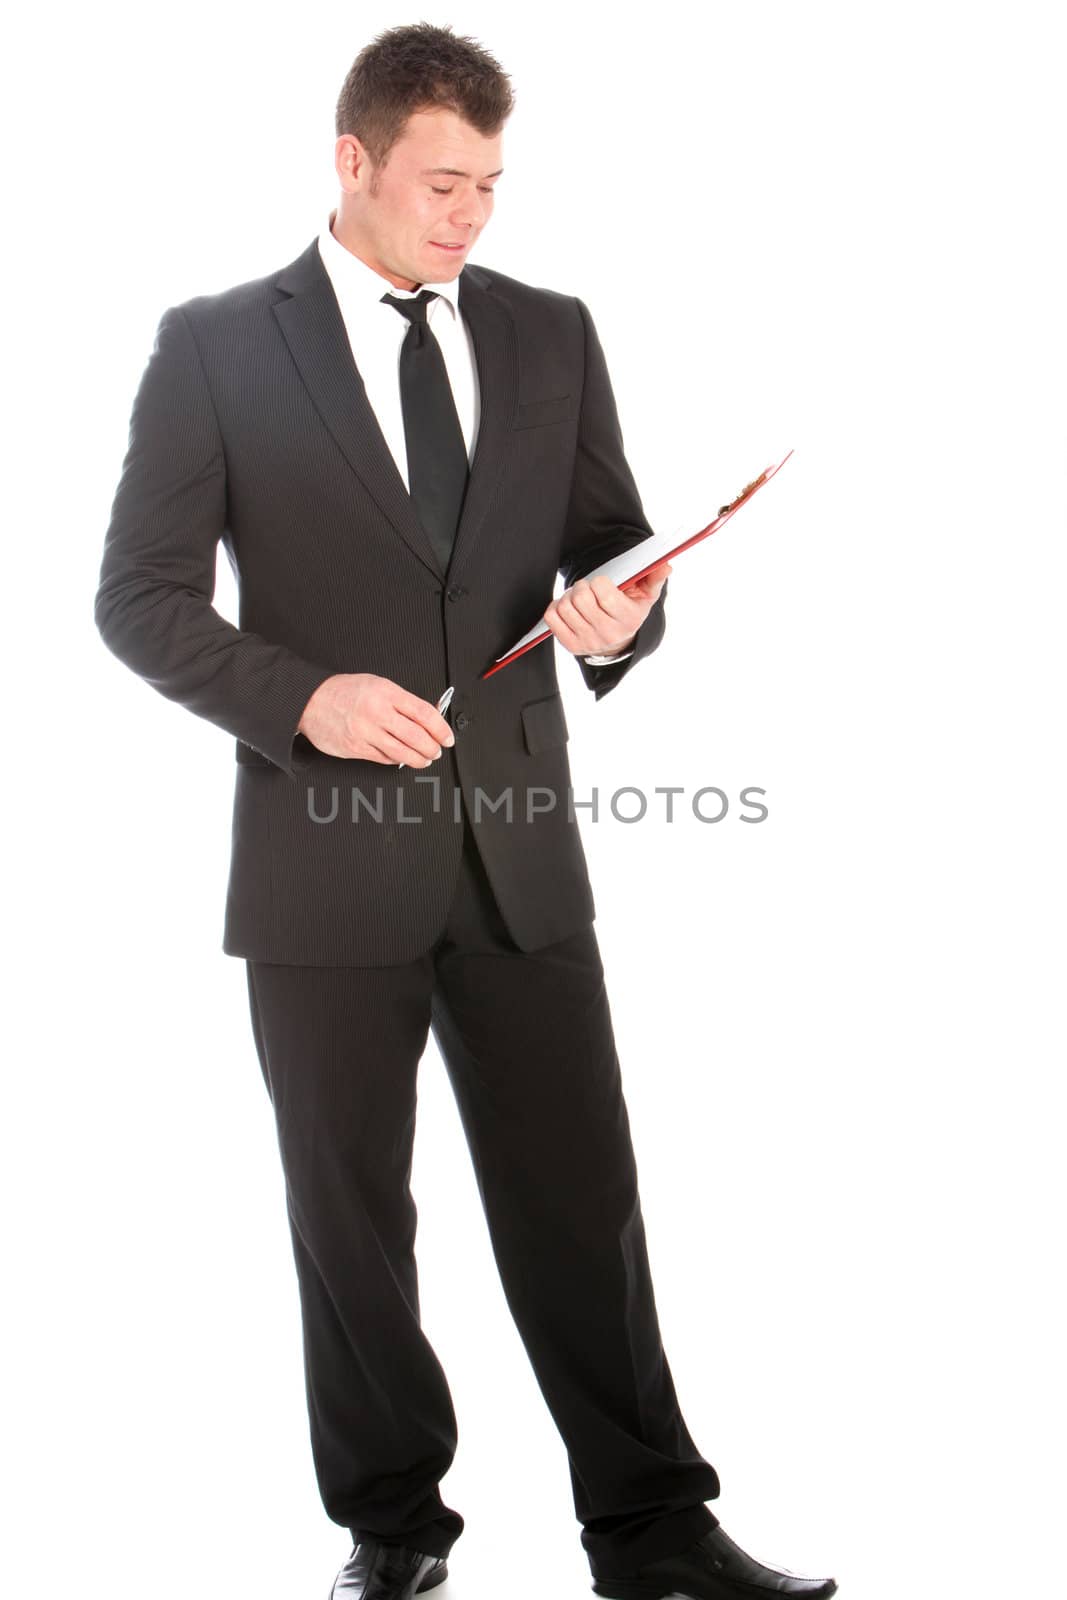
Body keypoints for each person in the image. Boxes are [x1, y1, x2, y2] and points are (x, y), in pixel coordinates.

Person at [94, 22, 837, 1600]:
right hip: (320, 864)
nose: (470, 215)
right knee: (351, 1224)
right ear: (351, 162)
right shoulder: (218, 344)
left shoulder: (554, 331)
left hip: (520, 857)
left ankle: (652, 1532)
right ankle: (393, 1531)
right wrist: (302, 698)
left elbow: (612, 550)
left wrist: (621, 616)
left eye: (492, 184)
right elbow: (139, 602)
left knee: (587, 1200)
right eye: (442, 182)